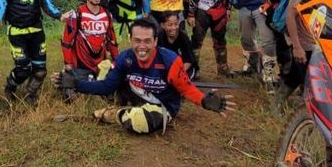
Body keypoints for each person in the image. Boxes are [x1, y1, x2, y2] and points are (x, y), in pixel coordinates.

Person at [58, 16, 234, 134]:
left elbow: (186, 88)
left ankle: (111, 113)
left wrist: (203, 100)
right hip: (137, 95)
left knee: (139, 121)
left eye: (147, 41)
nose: (142, 47)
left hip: (161, 106)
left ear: (156, 41)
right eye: (137, 41)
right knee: (105, 68)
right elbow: (107, 86)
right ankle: (124, 107)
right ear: (130, 39)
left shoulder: (170, 61)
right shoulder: (124, 57)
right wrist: (76, 84)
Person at [60, 0, 118, 98]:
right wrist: (68, 65)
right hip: (81, 65)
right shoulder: (76, 14)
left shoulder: (107, 15)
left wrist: (117, 61)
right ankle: (64, 79)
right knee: (72, 98)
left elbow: (112, 41)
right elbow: (66, 42)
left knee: (111, 95)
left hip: (100, 65)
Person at [158, 12, 198, 79]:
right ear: (162, 25)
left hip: (182, 68)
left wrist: (177, 73)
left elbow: (188, 61)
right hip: (164, 68)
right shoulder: (158, 37)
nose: (174, 28)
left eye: (176, 24)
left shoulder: (183, 37)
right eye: (170, 25)